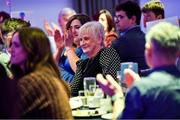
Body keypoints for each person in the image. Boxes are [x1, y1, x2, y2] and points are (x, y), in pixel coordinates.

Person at [97, 22, 180, 119]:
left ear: (148, 51)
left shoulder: (141, 89)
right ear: (178, 53)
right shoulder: (141, 87)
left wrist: (117, 95)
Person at [9, 27, 72, 118]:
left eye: (16, 45)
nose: (11, 50)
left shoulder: (34, 81)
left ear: (32, 48)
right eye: (11, 45)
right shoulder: (45, 75)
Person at [70, 21, 121, 96]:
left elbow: (110, 83)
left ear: (99, 39)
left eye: (86, 39)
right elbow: (73, 91)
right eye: (81, 39)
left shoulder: (107, 53)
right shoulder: (82, 64)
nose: (82, 43)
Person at [111, 0, 148, 71]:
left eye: (120, 17)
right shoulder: (149, 39)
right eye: (116, 17)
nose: (116, 21)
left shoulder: (118, 43)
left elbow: (110, 72)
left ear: (133, 19)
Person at [56, 14, 90, 83]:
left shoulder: (88, 49)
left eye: (77, 27)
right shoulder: (67, 47)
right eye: (71, 28)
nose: (73, 31)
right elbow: (50, 66)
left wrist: (68, 48)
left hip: (76, 91)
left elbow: (80, 71)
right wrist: (59, 49)